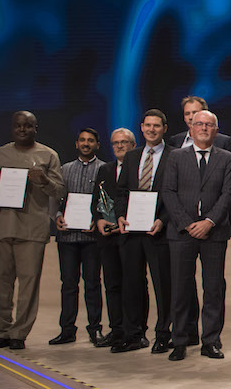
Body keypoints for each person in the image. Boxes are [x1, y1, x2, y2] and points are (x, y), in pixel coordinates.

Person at [0, 111, 66, 350]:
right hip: (0, 227)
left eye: (27, 126)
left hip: (32, 229)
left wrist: (43, 181)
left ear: (35, 128)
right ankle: (1, 332)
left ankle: (18, 333)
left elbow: (59, 191)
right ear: (12, 128)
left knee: (28, 285)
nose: (22, 130)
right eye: (18, 126)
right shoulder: (0, 154)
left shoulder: (48, 155)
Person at [161, 110, 231, 361]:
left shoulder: (226, 158)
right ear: (190, 129)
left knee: (213, 288)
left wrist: (209, 222)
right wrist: (188, 223)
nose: (203, 128)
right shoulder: (175, 157)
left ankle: (211, 341)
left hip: (214, 233)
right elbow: (168, 192)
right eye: (199, 124)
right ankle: (180, 340)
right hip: (182, 233)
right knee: (181, 288)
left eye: (209, 125)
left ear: (216, 131)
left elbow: (228, 194)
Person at [111, 109, 176, 354]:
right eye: (148, 125)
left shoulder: (174, 156)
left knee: (163, 285)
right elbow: (121, 192)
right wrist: (119, 215)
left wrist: (163, 220)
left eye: (156, 126)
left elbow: (176, 194)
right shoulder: (131, 157)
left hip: (158, 231)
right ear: (141, 127)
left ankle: (163, 334)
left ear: (164, 129)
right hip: (131, 231)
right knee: (132, 285)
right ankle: (134, 334)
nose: (151, 129)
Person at [49, 128, 106, 346]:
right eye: (82, 140)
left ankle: (95, 330)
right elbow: (56, 199)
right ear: (76, 144)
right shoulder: (64, 170)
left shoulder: (104, 169)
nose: (86, 143)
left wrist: (98, 218)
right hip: (67, 238)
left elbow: (106, 201)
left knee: (92, 283)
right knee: (68, 284)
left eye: (91, 140)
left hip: (92, 239)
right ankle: (67, 330)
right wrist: (57, 216)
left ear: (97, 145)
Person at [90, 127, 136, 348]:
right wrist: (98, 219)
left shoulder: (139, 169)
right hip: (107, 237)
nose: (119, 146)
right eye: (115, 142)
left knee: (133, 285)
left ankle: (134, 331)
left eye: (124, 142)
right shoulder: (104, 170)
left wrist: (124, 220)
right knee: (112, 285)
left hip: (130, 236)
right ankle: (116, 329)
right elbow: (96, 200)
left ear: (133, 145)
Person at [167, 95, 231, 153]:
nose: (191, 117)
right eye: (187, 114)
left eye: (195, 113)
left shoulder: (223, 142)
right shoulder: (175, 140)